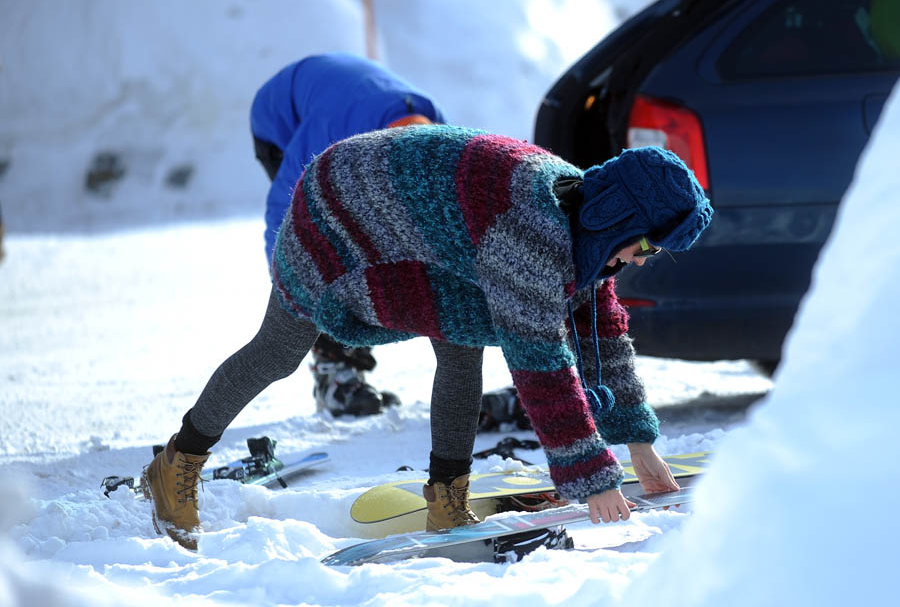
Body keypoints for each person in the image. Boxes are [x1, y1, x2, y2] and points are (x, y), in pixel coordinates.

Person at [142, 125, 713, 550]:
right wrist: (593, 479)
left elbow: (603, 333)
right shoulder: (532, 231)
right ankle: (176, 462)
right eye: (647, 245)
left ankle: (446, 499)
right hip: (340, 206)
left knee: (464, 337)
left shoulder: (584, 220)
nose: (642, 260)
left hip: (422, 228)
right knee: (280, 349)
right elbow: (541, 361)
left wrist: (638, 442)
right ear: (619, 219)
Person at [250, 53, 446, 416]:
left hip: (351, 103)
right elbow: (283, 209)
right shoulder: (332, 129)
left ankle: (351, 359)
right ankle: (333, 377)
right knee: (321, 248)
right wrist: (289, 286)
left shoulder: (440, 137)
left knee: (371, 238)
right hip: (279, 119)